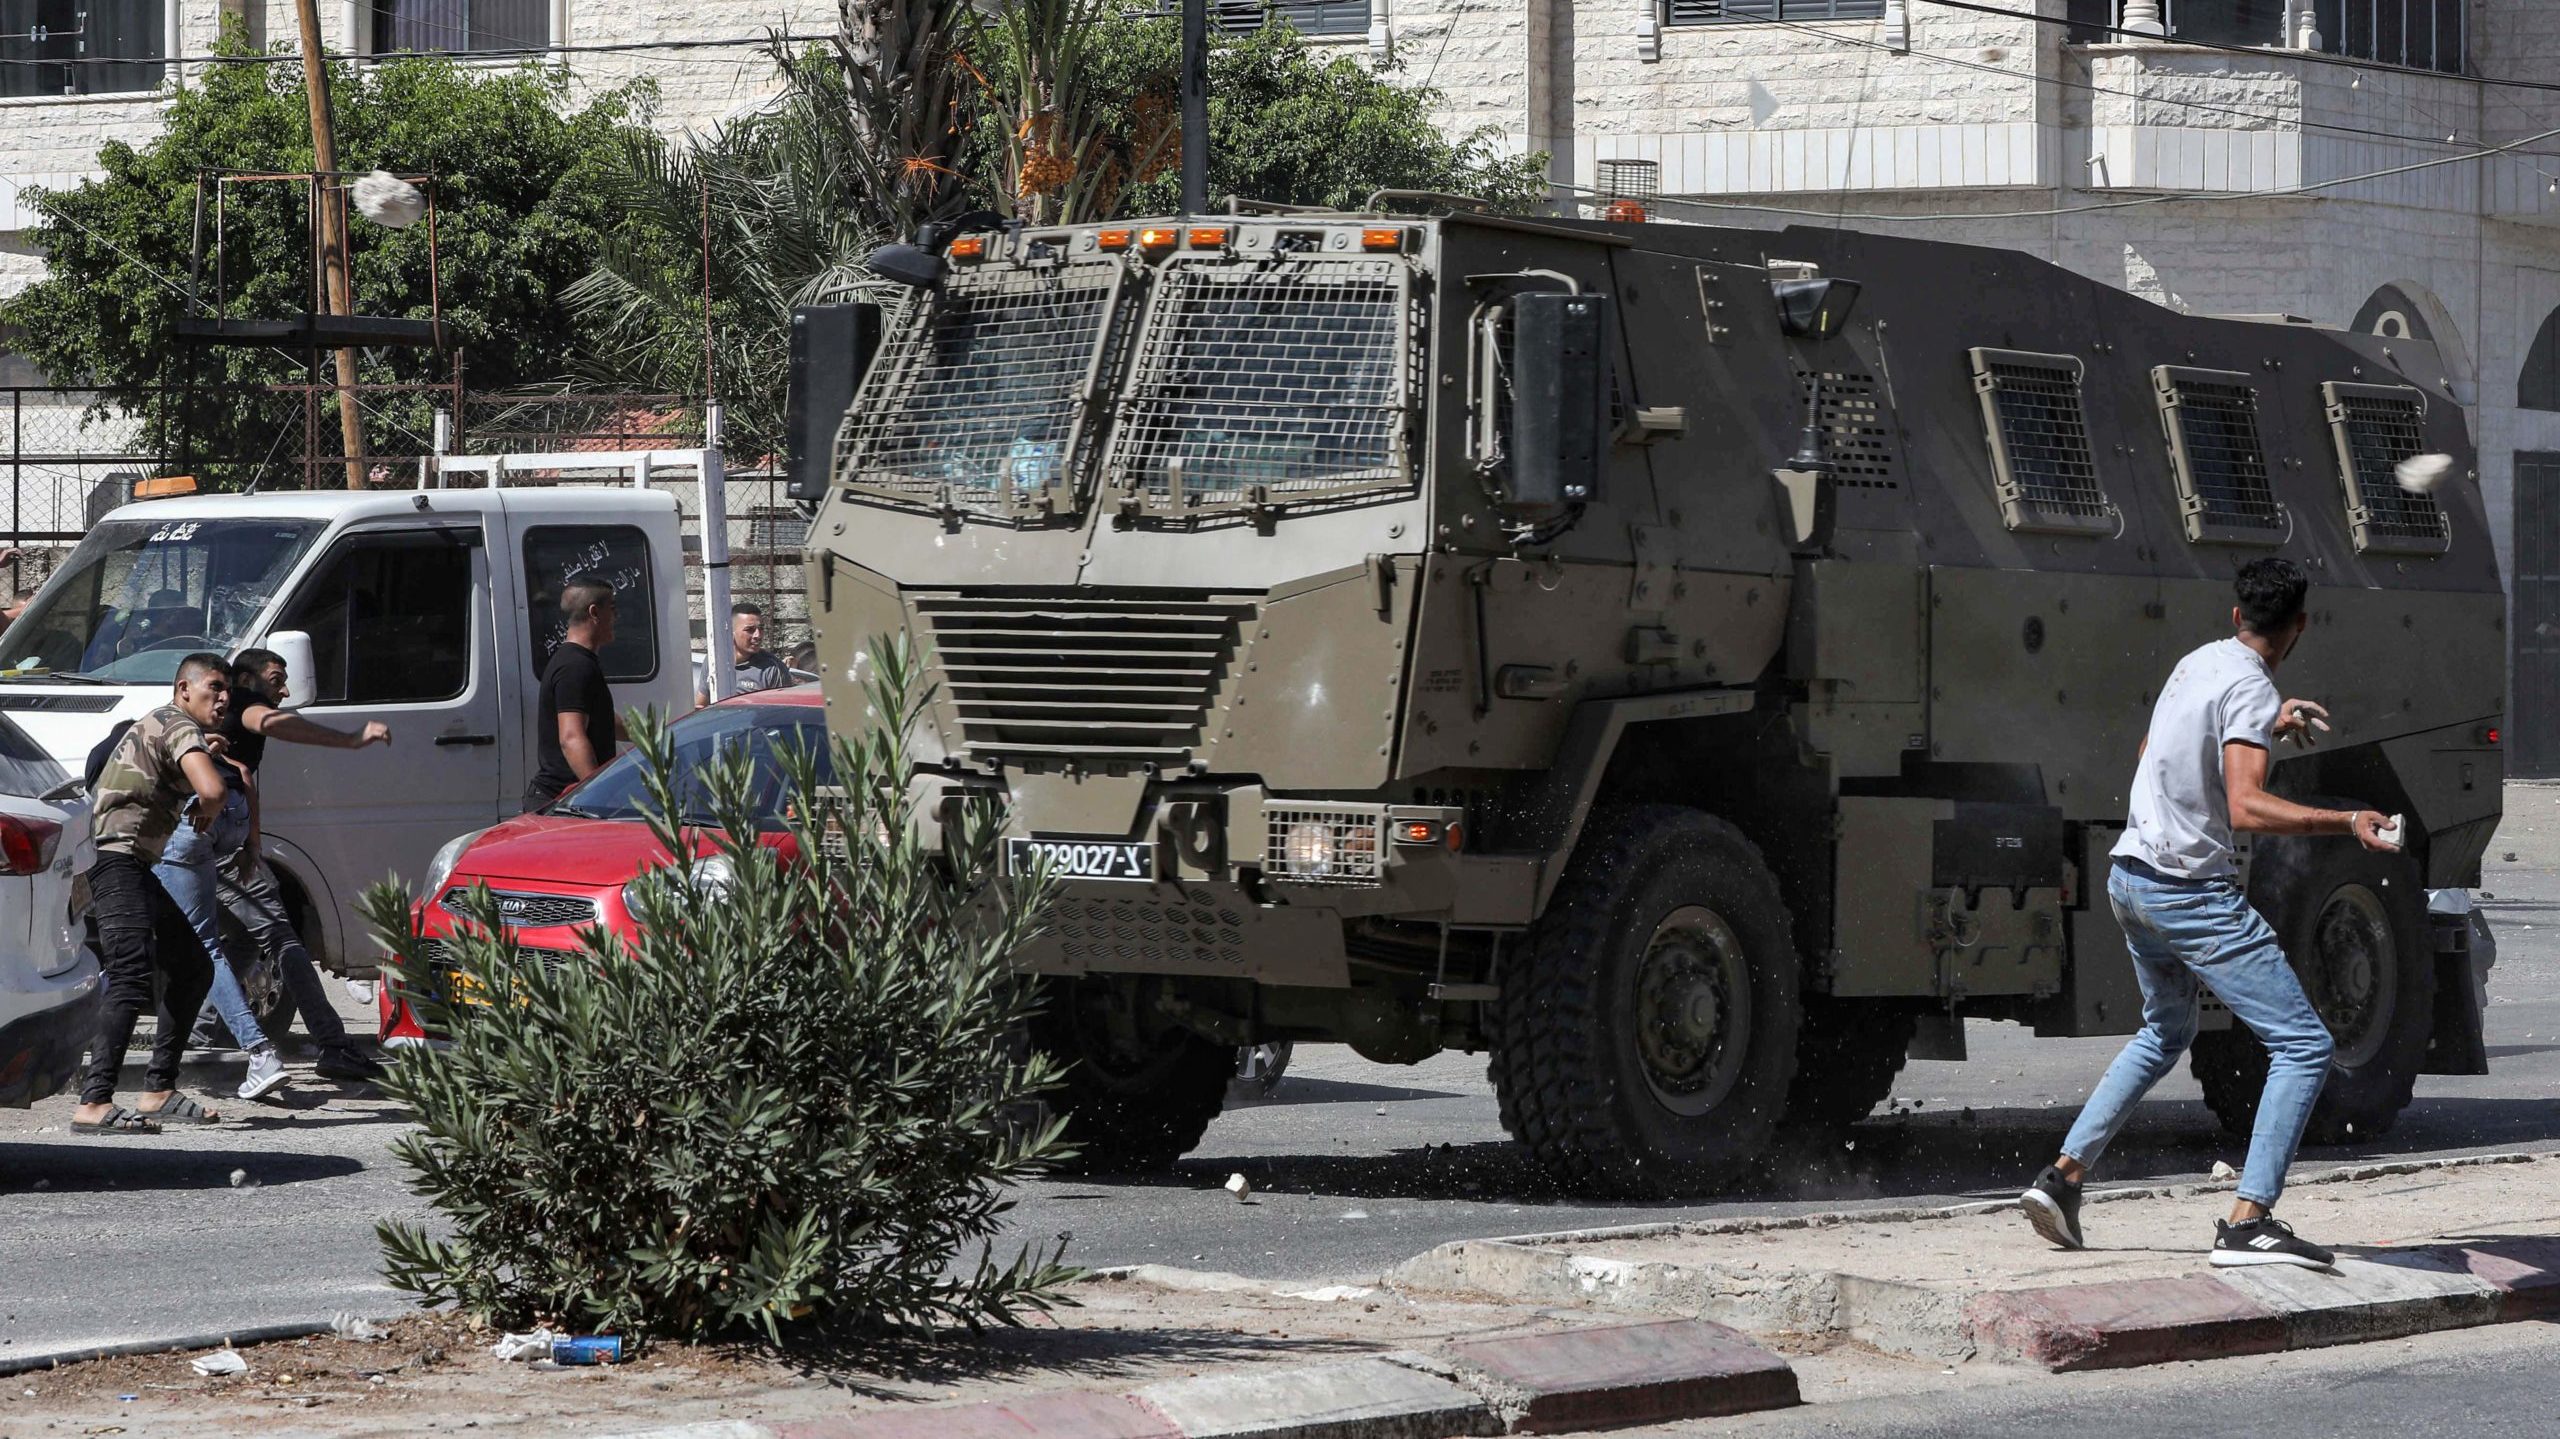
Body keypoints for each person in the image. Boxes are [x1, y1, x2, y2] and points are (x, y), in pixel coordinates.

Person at [2020, 557, 2393, 1271]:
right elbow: (2248, 805)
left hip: (2131, 876)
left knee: (2166, 1030)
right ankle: (2249, 1223)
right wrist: (2345, 820)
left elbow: (2153, 750)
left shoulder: (2197, 664)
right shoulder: (2252, 687)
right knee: (2305, 1044)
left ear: (2236, 616)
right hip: (2191, 893)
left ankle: (2062, 1179)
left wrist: (2268, 725)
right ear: (2300, 627)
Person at [184, 648, 391, 1082]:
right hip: (223, 838)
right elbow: (270, 728)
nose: (284, 690)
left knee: (238, 942)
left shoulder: (204, 714)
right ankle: (333, 1044)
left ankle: (201, 1041)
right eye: (276, 679)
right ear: (246, 680)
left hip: (204, 836)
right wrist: (350, 739)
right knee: (282, 938)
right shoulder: (242, 705)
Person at [70, 653, 238, 1134]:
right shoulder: (177, 722)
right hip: (113, 858)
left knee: (193, 965)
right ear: (184, 690)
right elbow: (213, 789)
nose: (223, 697)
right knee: (128, 971)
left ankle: (158, 1089)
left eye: (227, 689)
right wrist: (207, 808)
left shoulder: (172, 724)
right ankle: (94, 1101)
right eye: (213, 688)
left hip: (127, 861)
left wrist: (204, 747)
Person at [527, 577, 620, 812]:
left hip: (566, 802)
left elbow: (603, 718)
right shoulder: (575, 667)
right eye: (612, 608)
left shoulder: (579, 662)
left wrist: (648, 737)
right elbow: (571, 738)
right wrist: (597, 797)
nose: (616, 617)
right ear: (594, 612)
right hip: (561, 804)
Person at [694, 601, 791, 707]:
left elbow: (782, 714)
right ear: (730, 632)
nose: (757, 635)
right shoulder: (713, 660)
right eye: (749, 630)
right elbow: (701, 706)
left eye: (761, 628)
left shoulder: (773, 669)